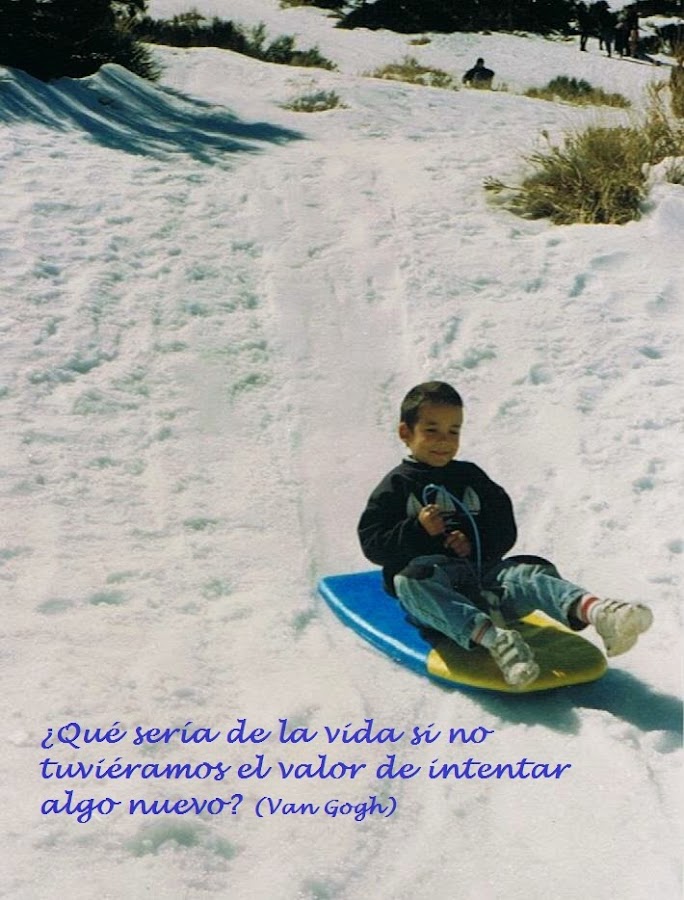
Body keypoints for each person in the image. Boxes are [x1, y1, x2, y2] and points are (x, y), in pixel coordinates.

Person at [357, 381, 653, 689]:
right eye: (432, 430)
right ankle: (498, 642)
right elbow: (372, 543)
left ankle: (597, 613)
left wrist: (474, 544)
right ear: (405, 433)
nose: (444, 441)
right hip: (438, 600)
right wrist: (417, 530)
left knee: (528, 572)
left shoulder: (470, 476)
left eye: (454, 431)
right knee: (409, 581)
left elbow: (503, 526)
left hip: (484, 582)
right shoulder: (396, 487)